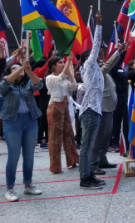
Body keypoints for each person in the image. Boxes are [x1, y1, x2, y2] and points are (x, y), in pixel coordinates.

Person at [1, 56, 43, 202]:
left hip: (30, 120)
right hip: (13, 122)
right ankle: (10, 189)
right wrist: (20, 68)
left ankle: (28, 184)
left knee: (29, 155)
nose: (19, 70)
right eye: (14, 68)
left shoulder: (28, 84)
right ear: (9, 71)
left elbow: (39, 85)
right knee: (13, 156)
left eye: (20, 68)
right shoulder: (6, 84)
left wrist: (29, 72)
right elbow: (4, 84)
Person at [77, 11, 107, 189]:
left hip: (94, 110)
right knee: (86, 146)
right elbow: (96, 46)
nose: (100, 53)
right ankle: (84, 178)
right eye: (96, 53)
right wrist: (99, 24)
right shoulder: (89, 65)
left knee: (89, 144)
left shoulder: (95, 68)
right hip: (89, 110)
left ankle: (88, 175)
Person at [90, 43, 126, 175]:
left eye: (101, 61)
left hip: (109, 108)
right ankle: (93, 164)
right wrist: (118, 52)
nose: (101, 62)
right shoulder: (96, 72)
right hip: (101, 109)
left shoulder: (104, 73)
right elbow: (107, 66)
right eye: (98, 61)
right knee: (98, 138)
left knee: (106, 137)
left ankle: (102, 159)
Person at [45, 53, 79, 173]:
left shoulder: (63, 77)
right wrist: (69, 62)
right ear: (53, 66)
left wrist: (71, 74)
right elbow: (60, 78)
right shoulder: (50, 78)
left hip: (64, 107)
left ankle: (73, 160)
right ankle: (55, 166)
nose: (63, 64)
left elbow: (73, 87)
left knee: (69, 134)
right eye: (60, 62)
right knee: (55, 138)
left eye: (63, 62)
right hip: (55, 107)